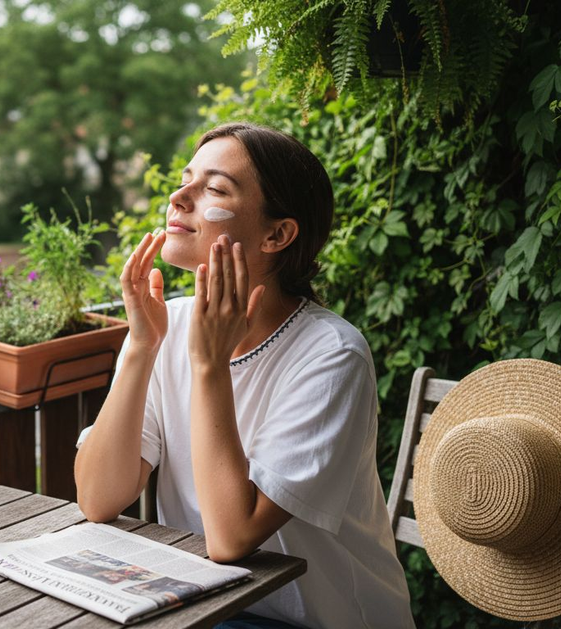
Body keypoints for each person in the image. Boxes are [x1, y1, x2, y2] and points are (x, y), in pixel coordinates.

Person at [74, 123, 414, 629]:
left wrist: (209, 365)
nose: (178, 196)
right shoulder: (168, 325)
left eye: (212, 189)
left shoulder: (332, 355)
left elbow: (232, 537)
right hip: (209, 608)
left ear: (277, 234)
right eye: (186, 179)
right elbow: (98, 497)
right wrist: (142, 346)